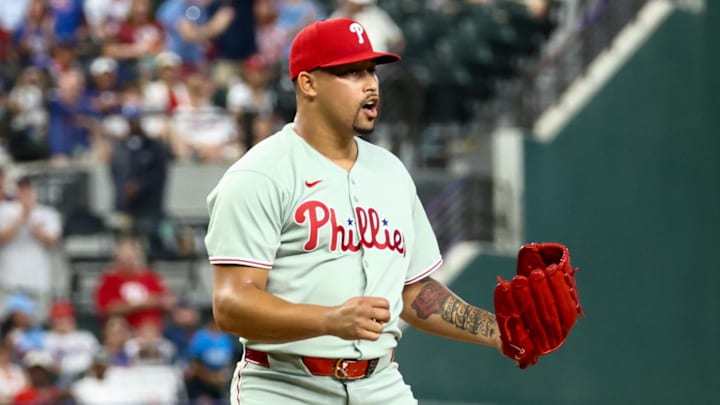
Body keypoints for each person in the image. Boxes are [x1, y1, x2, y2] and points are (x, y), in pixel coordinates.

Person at [205, 18, 502, 405]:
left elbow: (414, 291)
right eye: (351, 72)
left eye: (372, 71)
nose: (370, 84)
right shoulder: (259, 175)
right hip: (285, 385)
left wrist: (496, 329)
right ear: (308, 83)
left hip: (381, 384)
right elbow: (231, 304)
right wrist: (327, 319)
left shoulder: (392, 172)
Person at [0, 176, 62, 320]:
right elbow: (2, 238)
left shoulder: (48, 213)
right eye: (22, 190)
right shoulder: (4, 210)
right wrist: (23, 218)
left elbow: (53, 242)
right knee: (6, 325)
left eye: (29, 190)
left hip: (38, 280)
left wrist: (36, 230)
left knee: (36, 324)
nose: (25, 194)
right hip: (9, 279)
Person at [94, 237, 177, 331]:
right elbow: (108, 309)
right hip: (124, 332)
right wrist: (142, 303)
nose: (130, 262)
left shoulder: (151, 277)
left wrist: (165, 302)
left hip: (154, 331)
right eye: (125, 258)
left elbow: (167, 300)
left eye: (133, 257)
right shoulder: (109, 280)